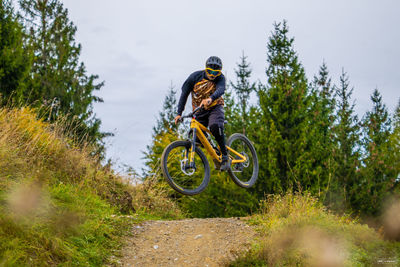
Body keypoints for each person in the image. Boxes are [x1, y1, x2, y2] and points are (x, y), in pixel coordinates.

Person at [174, 56, 230, 171]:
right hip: (199, 110)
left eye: (216, 72)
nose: (213, 75)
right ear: (205, 69)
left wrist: (211, 98)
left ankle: (225, 157)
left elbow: (221, 89)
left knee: (215, 126)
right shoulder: (194, 77)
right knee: (196, 137)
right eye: (210, 71)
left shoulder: (220, 78)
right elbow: (184, 94)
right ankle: (214, 153)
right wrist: (179, 113)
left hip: (215, 107)